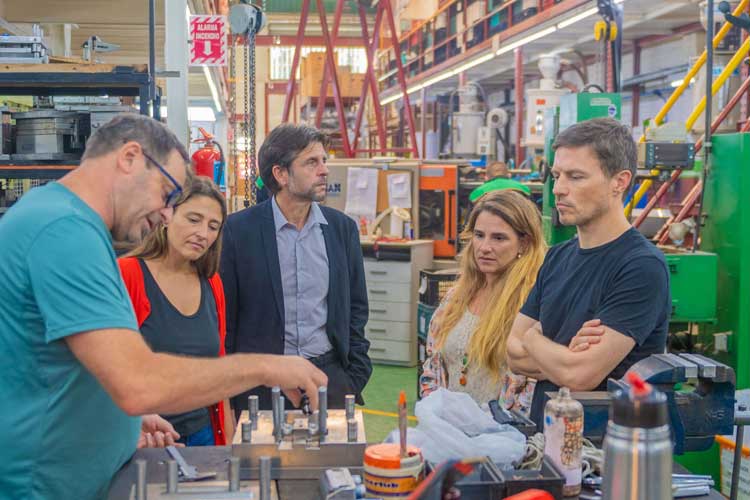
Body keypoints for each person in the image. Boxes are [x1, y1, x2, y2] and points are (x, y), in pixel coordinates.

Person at [0, 114, 327, 499]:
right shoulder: (64, 232)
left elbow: (65, 363)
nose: (166, 213)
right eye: (167, 193)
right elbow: (136, 382)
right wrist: (268, 367)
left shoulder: (62, 218)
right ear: (130, 158)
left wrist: (118, 419)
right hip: (44, 485)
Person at [507, 118, 671, 429]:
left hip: (605, 445)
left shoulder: (641, 266)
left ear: (619, 182)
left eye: (576, 177)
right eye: (557, 176)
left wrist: (533, 338)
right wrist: (564, 355)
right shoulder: (557, 257)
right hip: (545, 437)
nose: (559, 189)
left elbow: (578, 375)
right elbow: (512, 354)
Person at [221, 123, 371, 415]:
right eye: (312, 162)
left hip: (328, 379)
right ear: (281, 174)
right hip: (262, 384)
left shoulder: (341, 230)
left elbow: (356, 308)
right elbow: (227, 318)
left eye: (324, 160)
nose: (324, 170)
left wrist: (352, 377)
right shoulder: (238, 231)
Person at [119, 176, 234, 447]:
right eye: (193, 219)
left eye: (213, 226)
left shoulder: (212, 282)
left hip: (204, 434)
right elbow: (103, 367)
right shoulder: (128, 275)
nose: (203, 234)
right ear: (167, 216)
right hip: (147, 438)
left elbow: (218, 368)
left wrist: (228, 443)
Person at [419, 190, 545, 412]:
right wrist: (436, 412)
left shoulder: (531, 305)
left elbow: (529, 388)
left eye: (499, 238)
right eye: (479, 235)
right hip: (447, 427)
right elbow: (433, 364)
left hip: (500, 431)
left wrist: (492, 426)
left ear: (524, 243)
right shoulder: (456, 297)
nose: (484, 247)